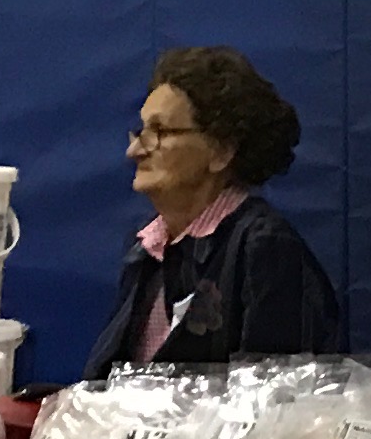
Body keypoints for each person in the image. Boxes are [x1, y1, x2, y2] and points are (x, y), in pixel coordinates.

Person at [82, 45, 345, 377]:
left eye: (159, 132)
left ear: (221, 151)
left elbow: (279, 395)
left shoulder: (266, 248)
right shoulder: (147, 247)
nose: (134, 150)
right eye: (141, 131)